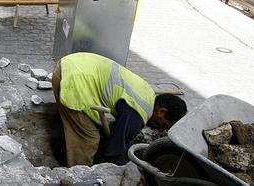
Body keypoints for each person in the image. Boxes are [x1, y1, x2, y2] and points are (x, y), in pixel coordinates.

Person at [52, 52, 188, 166]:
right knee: (89, 139)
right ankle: (78, 175)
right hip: (71, 80)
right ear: (162, 111)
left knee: (95, 130)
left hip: (74, 63)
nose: (159, 130)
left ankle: (62, 148)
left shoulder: (148, 94)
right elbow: (113, 153)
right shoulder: (137, 115)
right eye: (163, 125)